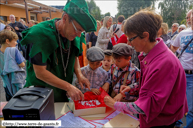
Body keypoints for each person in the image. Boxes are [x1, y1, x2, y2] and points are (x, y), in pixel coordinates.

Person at [104, 9, 188, 127]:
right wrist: (132, 87)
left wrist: (115, 104)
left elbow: (145, 107)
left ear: (145, 36)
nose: (129, 42)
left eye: (131, 38)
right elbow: (154, 85)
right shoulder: (153, 55)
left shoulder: (163, 62)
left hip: (159, 121)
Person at [20, 0, 97, 102]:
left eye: (81, 31)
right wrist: (68, 87)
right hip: (40, 94)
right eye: (77, 29)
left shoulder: (76, 35)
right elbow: (40, 72)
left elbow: (74, 57)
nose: (79, 35)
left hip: (61, 93)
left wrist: (79, 75)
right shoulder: (39, 34)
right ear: (65, 18)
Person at [171, 9, 193, 128]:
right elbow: (173, 48)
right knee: (177, 102)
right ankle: (177, 124)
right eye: (190, 16)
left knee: (191, 108)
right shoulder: (183, 33)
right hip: (181, 74)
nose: (190, 18)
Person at [0, 30, 25, 101]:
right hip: (17, 80)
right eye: (15, 41)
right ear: (7, 41)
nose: (16, 43)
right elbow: (22, 64)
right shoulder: (14, 50)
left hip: (6, 83)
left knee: (10, 101)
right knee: (20, 100)